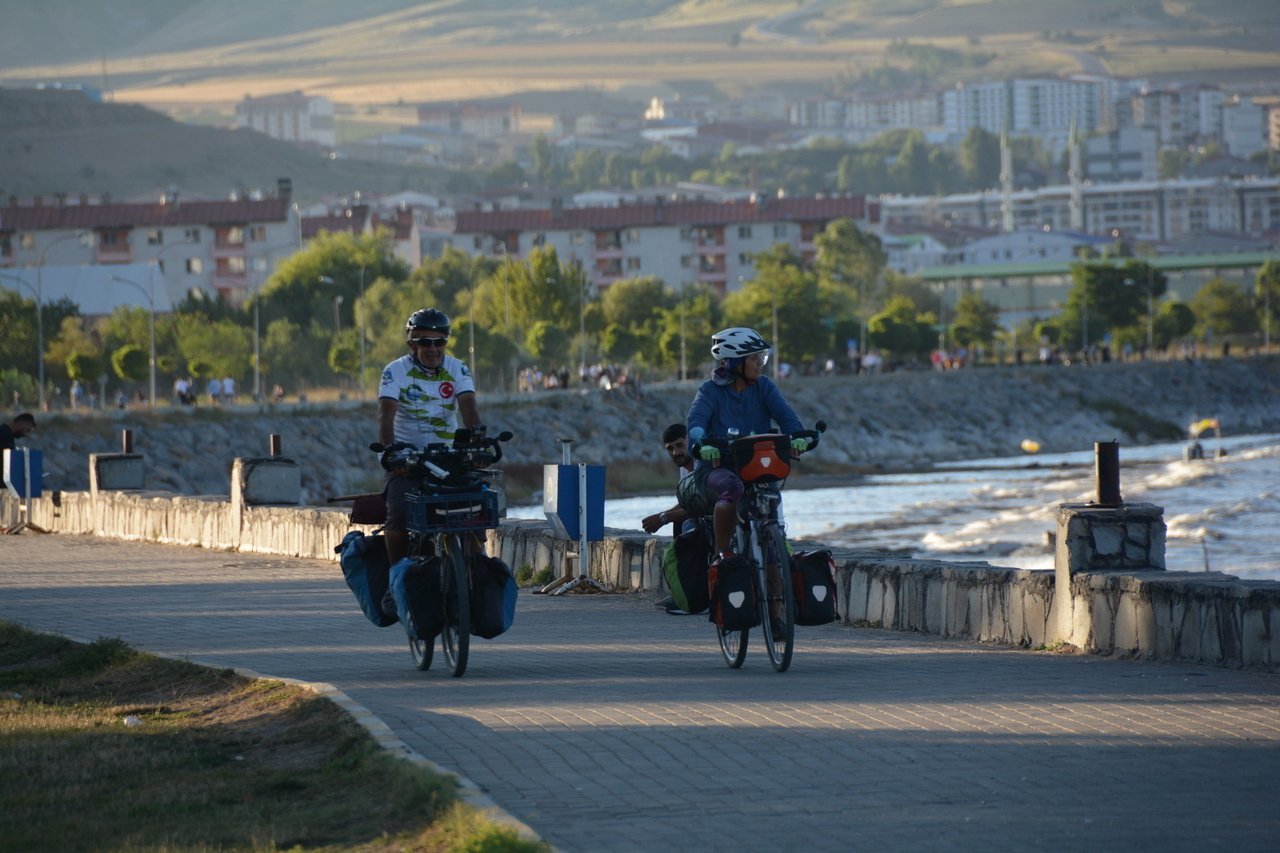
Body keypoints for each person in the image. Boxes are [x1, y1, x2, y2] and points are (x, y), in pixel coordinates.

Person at [687, 328, 808, 632]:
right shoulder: (710, 391)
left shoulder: (764, 387)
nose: (760, 363)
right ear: (733, 362)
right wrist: (702, 441)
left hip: (757, 467)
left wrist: (798, 437)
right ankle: (723, 553)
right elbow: (696, 423)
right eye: (755, 358)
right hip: (718, 468)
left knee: (772, 537)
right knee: (730, 489)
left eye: (761, 357)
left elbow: (787, 418)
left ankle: (779, 613)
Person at [377, 308, 483, 566]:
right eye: (424, 341)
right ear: (411, 343)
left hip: (448, 457)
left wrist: (479, 442)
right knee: (399, 519)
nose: (433, 348)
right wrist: (390, 451)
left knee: (476, 513)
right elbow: (385, 416)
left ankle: (477, 576)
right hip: (408, 459)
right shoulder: (395, 371)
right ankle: (395, 579)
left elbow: (469, 408)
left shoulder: (457, 368)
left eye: (439, 342)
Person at [641, 423, 698, 535]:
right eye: (670, 448)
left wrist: (663, 518)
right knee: (678, 521)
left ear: (691, 442)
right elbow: (687, 502)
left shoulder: (701, 463)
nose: (675, 453)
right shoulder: (684, 466)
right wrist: (660, 516)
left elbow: (701, 506)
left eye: (680, 445)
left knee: (686, 524)